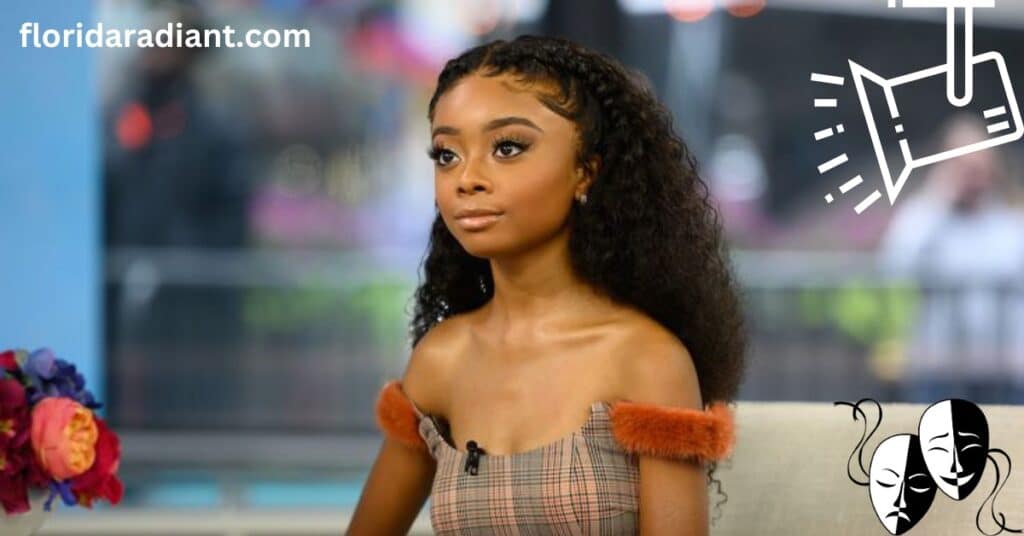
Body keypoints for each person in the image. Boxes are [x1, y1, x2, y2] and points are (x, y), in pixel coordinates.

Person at [347, 35, 746, 535]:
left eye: (507, 147)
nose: (466, 178)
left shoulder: (647, 360)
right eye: (447, 154)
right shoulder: (441, 360)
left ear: (586, 172)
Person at [878, 114, 1024, 405]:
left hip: (1004, 369)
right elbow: (893, 266)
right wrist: (938, 198)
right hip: (938, 367)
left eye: (978, 164)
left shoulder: (1010, 222)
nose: (971, 174)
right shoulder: (924, 215)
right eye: (961, 163)